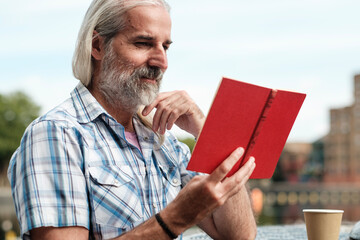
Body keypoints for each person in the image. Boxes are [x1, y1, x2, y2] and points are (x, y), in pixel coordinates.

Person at [8, 0, 257, 239]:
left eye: (165, 47)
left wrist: (207, 132)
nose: (162, 62)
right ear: (97, 46)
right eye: (143, 43)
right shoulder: (55, 135)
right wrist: (175, 218)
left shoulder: (164, 143)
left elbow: (239, 235)